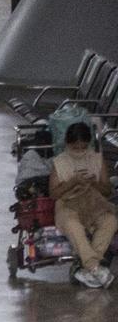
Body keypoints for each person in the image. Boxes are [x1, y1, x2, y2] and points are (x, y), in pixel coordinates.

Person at [51, 123, 116, 289]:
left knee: (110, 221)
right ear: (68, 144)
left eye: (83, 147)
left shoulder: (96, 159)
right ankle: (94, 267)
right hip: (67, 203)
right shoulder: (59, 163)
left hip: (93, 203)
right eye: (75, 148)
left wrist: (93, 183)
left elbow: (107, 190)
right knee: (73, 225)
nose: (79, 151)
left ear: (89, 145)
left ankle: (87, 270)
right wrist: (72, 182)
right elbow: (53, 194)